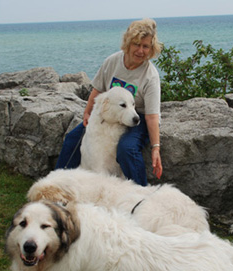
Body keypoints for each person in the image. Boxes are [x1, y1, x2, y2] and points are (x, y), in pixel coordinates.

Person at [55, 18, 163, 186]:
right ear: (128, 43)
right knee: (72, 140)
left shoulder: (150, 76)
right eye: (136, 44)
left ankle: (141, 195)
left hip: (137, 117)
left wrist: (156, 147)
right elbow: (97, 90)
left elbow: (151, 117)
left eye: (146, 46)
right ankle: (57, 187)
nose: (140, 50)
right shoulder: (113, 61)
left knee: (127, 149)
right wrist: (87, 112)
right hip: (111, 113)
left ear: (151, 49)